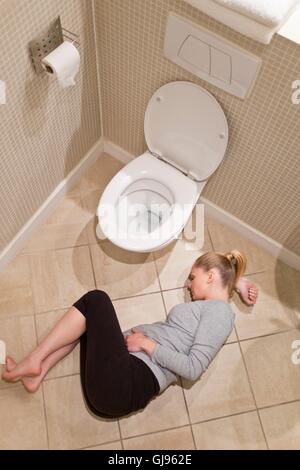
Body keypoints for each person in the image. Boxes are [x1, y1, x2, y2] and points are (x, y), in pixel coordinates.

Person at [1, 250, 258, 419]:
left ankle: (34, 359)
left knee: (96, 300)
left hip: (124, 384)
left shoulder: (221, 313)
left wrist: (147, 344)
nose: (188, 284)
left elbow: (193, 368)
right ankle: (38, 373)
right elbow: (220, 279)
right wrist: (236, 281)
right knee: (84, 322)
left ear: (211, 276)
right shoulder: (214, 307)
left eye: (193, 277)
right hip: (114, 387)